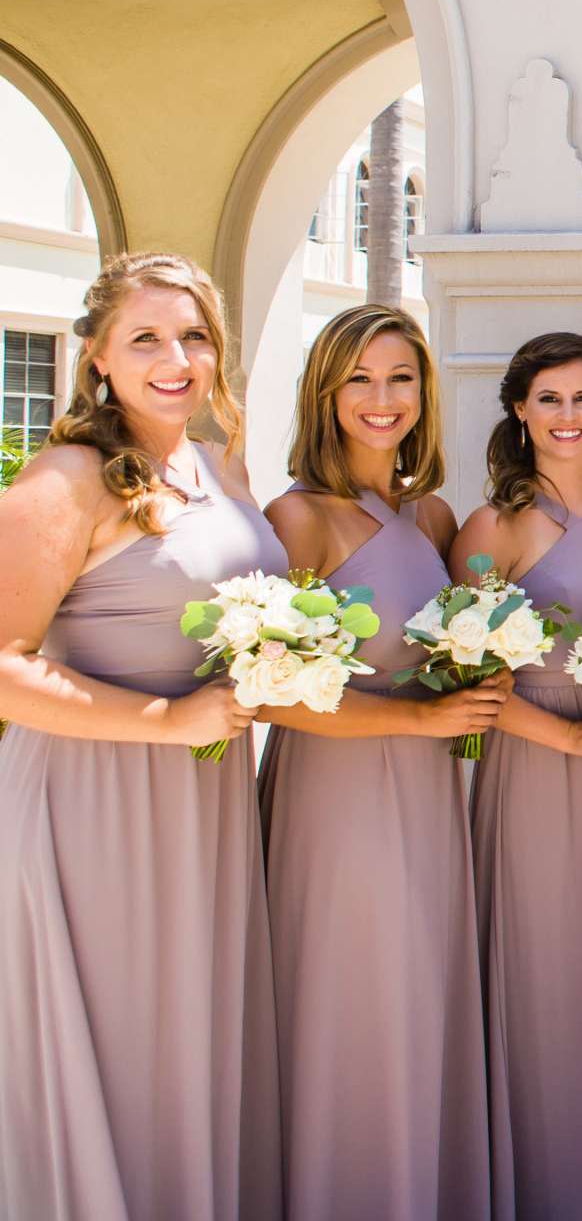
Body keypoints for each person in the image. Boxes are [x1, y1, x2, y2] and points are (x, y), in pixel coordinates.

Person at [0, 252, 285, 1220]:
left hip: (201, 799)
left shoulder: (220, 467)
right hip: (93, 803)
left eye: (196, 335)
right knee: (118, 1042)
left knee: (184, 1042)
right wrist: (168, 720)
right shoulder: (66, 480)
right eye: (147, 337)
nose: (177, 358)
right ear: (97, 359)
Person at [257, 304, 497, 1219]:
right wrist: (423, 725)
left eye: (400, 378)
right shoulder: (299, 518)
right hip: (338, 793)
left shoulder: (433, 515)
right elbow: (272, 694)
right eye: (359, 378)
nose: (381, 398)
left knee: (420, 991)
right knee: (350, 994)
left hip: (430, 793)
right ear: (325, 392)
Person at [456, 332, 582, 1221]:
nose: (567, 416)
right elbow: (457, 670)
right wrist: (564, 739)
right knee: (548, 962)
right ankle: (548, 1183)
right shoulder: (493, 524)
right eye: (548, 399)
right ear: (518, 410)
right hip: (539, 759)